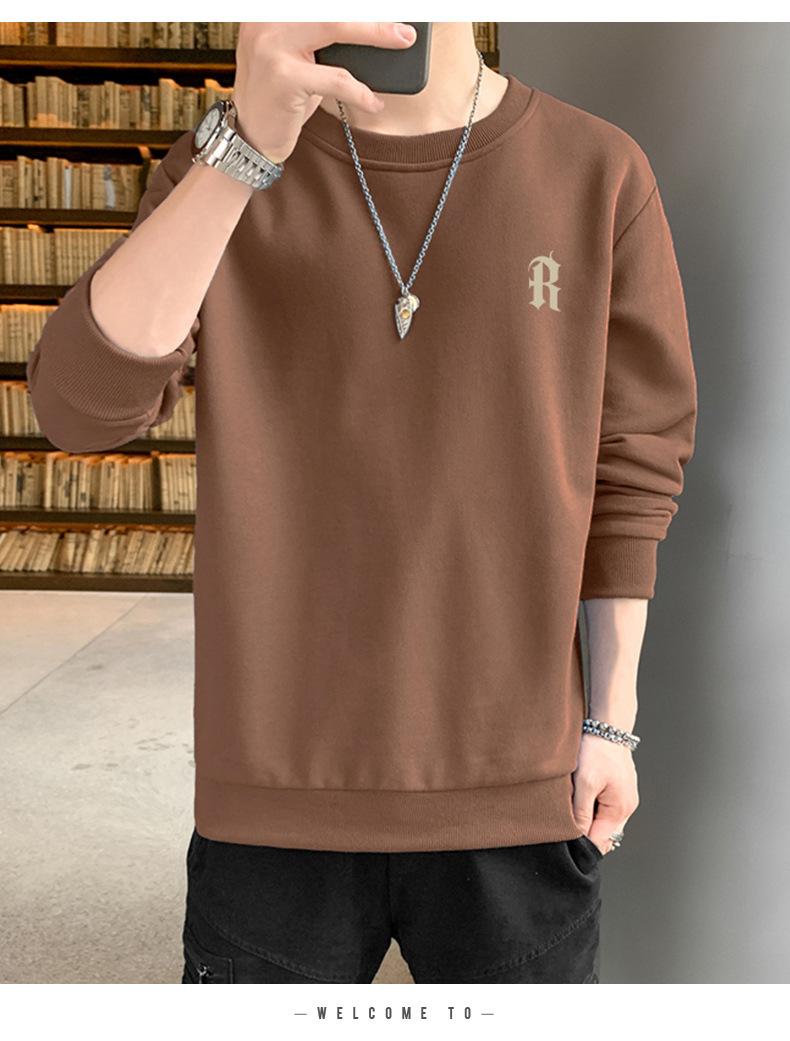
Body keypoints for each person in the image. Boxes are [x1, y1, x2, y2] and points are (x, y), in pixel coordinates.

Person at [26, 22, 698, 984]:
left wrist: (611, 722)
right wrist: (243, 151)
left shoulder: (596, 170)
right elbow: (79, 410)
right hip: (273, 793)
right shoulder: (223, 161)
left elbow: (631, 465)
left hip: (519, 783)